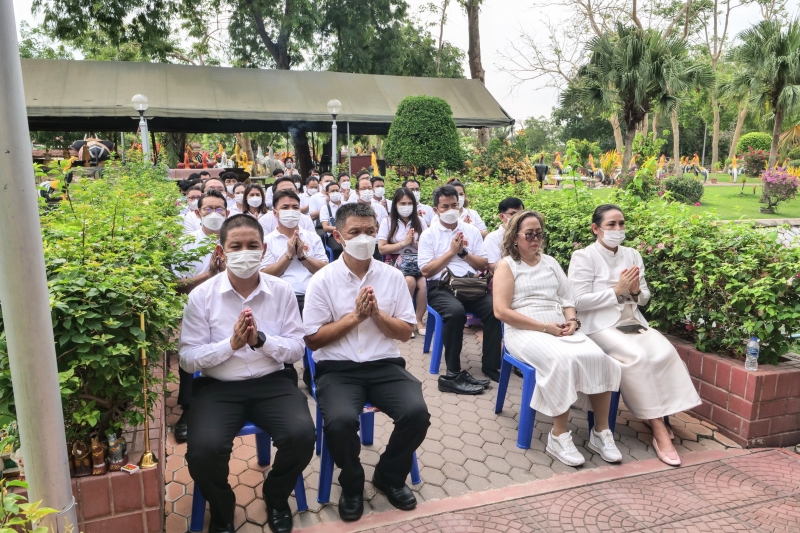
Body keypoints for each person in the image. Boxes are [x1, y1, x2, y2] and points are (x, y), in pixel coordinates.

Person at [179, 214, 315, 533]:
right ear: (221, 252)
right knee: (202, 451)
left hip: (273, 382)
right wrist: (231, 344)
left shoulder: (281, 291)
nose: (244, 252)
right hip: (219, 387)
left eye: (252, 245)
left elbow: (297, 348)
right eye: (235, 246)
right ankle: (223, 508)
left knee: (301, 436)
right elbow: (187, 359)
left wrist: (260, 340)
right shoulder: (202, 296)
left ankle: (276, 495)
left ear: (264, 248)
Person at [303, 202, 430, 522]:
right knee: (341, 421)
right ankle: (352, 481)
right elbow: (313, 339)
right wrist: (355, 318)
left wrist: (376, 315)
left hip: (384, 365)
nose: (363, 238)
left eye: (370, 232)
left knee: (417, 413)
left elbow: (404, 333)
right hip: (338, 369)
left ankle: (389, 475)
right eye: (355, 232)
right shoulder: (323, 280)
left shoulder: (392, 277)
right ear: (338, 237)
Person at [568, 204, 702, 467]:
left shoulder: (632, 254)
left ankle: (663, 415)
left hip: (631, 321)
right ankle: (659, 430)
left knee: (664, 352)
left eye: (621, 224)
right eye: (611, 225)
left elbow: (644, 298)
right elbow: (577, 301)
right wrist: (616, 291)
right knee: (639, 358)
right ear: (596, 229)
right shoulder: (584, 257)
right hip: (599, 326)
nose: (618, 229)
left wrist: (636, 291)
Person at [493, 210, 623, 467]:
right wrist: (544, 327)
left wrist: (573, 321)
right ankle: (558, 435)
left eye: (539, 234)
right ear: (515, 237)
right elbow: (502, 311)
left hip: (557, 324)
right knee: (561, 360)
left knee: (598, 357)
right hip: (523, 330)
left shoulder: (550, 262)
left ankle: (600, 432)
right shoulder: (507, 265)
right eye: (529, 234)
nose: (535, 240)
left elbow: (566, 298)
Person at [418, 185, 501, 394]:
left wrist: (463, 253)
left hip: (469, 285)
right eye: (445, 206)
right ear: (436, 210)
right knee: (455, 313)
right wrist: (450, 252)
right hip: (441, 287)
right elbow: (427, 271)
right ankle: (453, 373)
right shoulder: (429, 235)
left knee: (495, 309)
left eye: (454, 205)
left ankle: (491, 365)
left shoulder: (471, 230)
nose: (451, 209)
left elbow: (482, 265)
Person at [173, 189, 230, 443]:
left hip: (232, 307)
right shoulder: (186, 245)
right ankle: (188, 409)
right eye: (208, 209)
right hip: (196, 308)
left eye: (219, 209)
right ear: (197, 213)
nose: (214, 214)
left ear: (227, 213)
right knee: (191, 349)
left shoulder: (236, 241)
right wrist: (207, 276)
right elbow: (177, 286)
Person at [260, 190, 329, 315]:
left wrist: (303, 257)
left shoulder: (312, 238)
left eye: (295, 207)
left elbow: (324, 270)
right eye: (285, 207)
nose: (291, 211)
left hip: (311, 296)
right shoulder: (267, 241)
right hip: (279, 298)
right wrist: (288, 256)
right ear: (275, 213)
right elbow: (265, 274)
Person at [377, 188, 428, 338]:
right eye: (402, 203)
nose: (406, 206)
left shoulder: (420, 222)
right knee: (409, 281)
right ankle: (406, 321)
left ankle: (418, 320)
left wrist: (415, 243)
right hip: (395, 261)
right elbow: (381, 249)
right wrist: (403, 243)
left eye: (409, 203)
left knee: (424, 284)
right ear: (396, 204)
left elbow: (427, 248)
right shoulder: (387, 222)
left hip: (417, 262)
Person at [485, 198, 524, 273]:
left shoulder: (527, 235)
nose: (518, 218)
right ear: (502, 217)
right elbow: (492, 266)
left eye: (521, 214)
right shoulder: (492, 238)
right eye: (513, 214)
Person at [319, 180, 344, 260]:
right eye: (332, 191)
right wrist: (342, 229)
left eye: (337, 190)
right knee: (339, 248)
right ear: (327, 194)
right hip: (334, 235)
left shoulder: (347, 205)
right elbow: (325, 227)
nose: (335, 193)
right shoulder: (325, 208)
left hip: (349, 234)